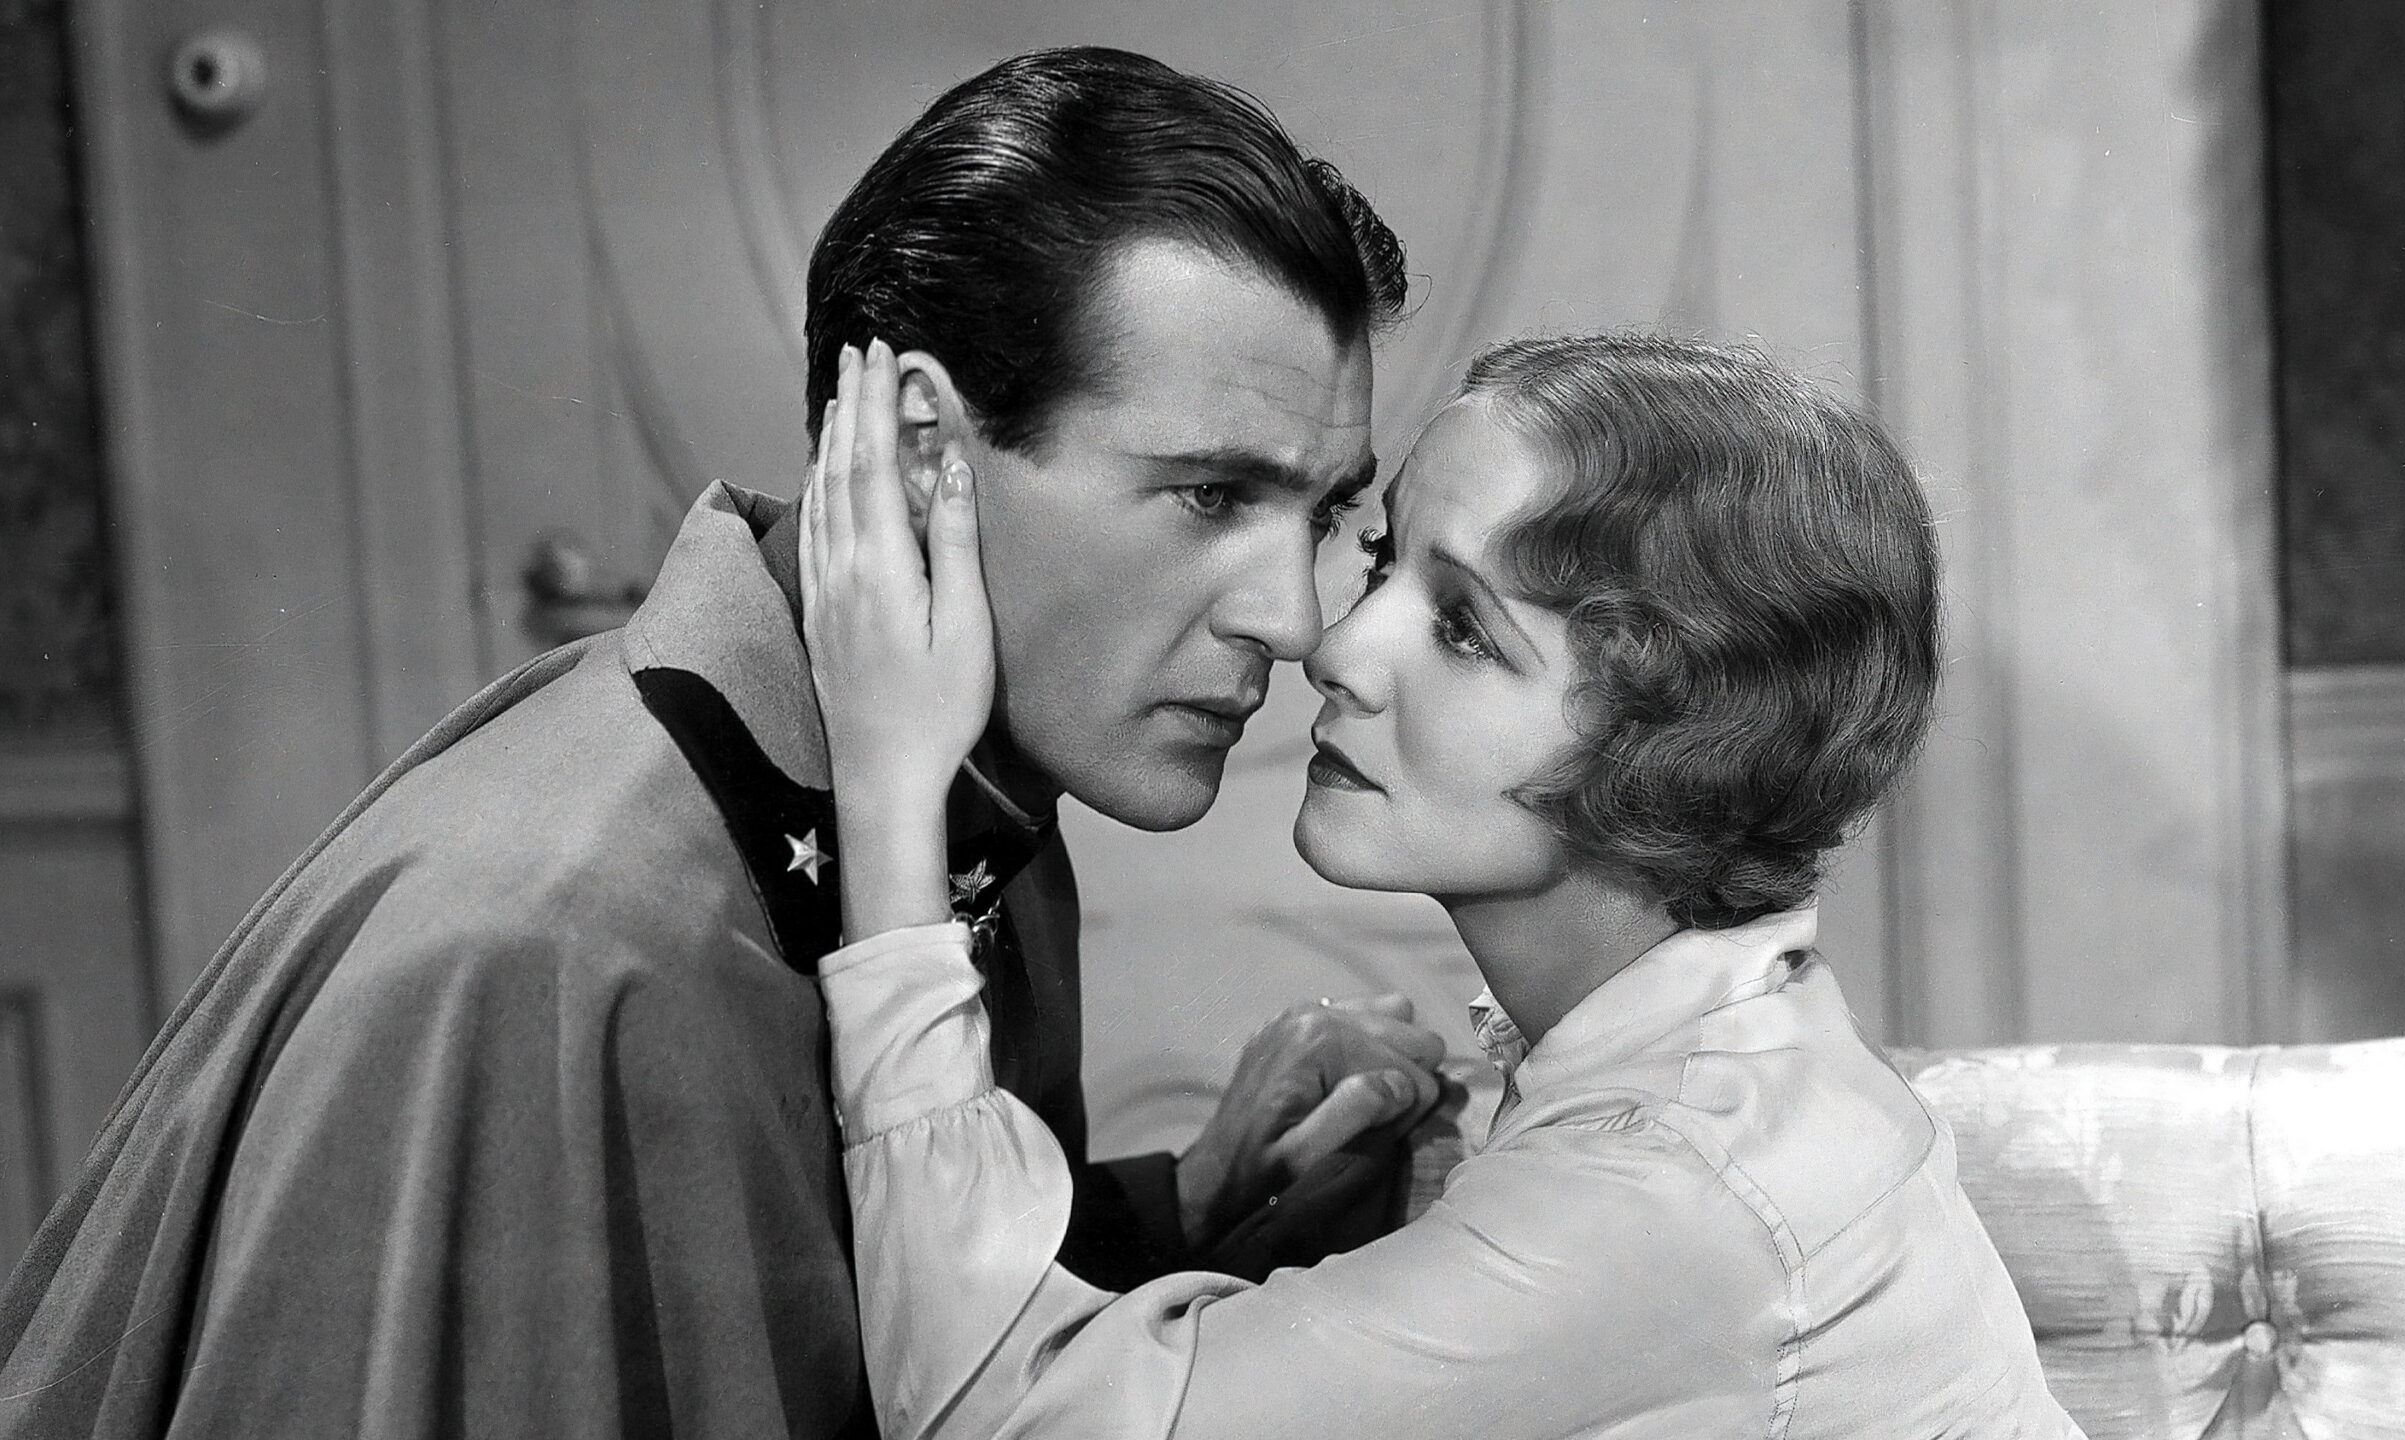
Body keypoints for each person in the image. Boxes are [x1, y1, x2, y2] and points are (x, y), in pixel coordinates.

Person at [0, 48, 1441, 1438]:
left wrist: (1191, 1202)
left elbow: (820, 1333)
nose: (1295, 617)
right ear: (926, 450)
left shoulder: (968, 791)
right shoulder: (568, 947)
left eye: (1323, 513)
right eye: (1209, 496)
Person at [799, 332, 2089, 1437]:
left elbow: (1008, 1417)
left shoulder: (1667, 1189)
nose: (1337, 649)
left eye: (1465, 628)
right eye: (1382, 565)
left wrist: (896, 794)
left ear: (1682, 749)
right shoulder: (1719, 1071)